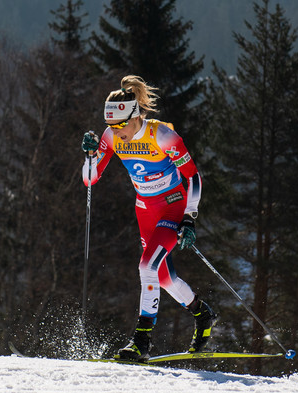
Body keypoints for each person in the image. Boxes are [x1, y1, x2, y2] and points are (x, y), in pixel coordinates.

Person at [81, 75, 216, 362]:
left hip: (172, 206)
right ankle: (202, 313)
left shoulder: (162, 136)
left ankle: (141, 341)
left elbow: (193, 177)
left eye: (120, 126)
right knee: (163, 277)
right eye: (111, 128)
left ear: (134, 116)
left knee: (146, 266)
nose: (116, 133)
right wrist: (91, 155)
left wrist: (190, 218)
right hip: (145, 210)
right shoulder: (111, 137)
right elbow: (90, 179)